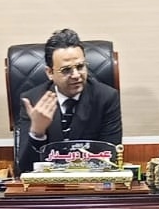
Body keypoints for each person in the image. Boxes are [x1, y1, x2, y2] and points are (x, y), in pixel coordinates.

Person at [12, 28, 123, 175]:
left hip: (91, 183)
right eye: (66, 70)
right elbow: (25, 167)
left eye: (80, 67)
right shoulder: (34, 101)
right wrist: (37, 132)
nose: (76, 75)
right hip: (48, 186)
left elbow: (110, 160)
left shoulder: (106, 98)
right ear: (50, 73)